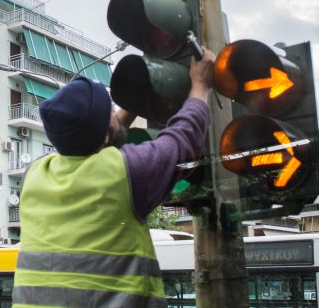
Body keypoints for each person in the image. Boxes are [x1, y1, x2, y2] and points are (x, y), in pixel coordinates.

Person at [12, 49, 216, 308]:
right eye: (110, 109)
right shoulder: (126, 172)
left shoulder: (35, 175)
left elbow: (93, 139)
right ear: (104, 131)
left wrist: (132, 105)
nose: (114, 112)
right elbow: (183, 138)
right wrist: (200, 84)